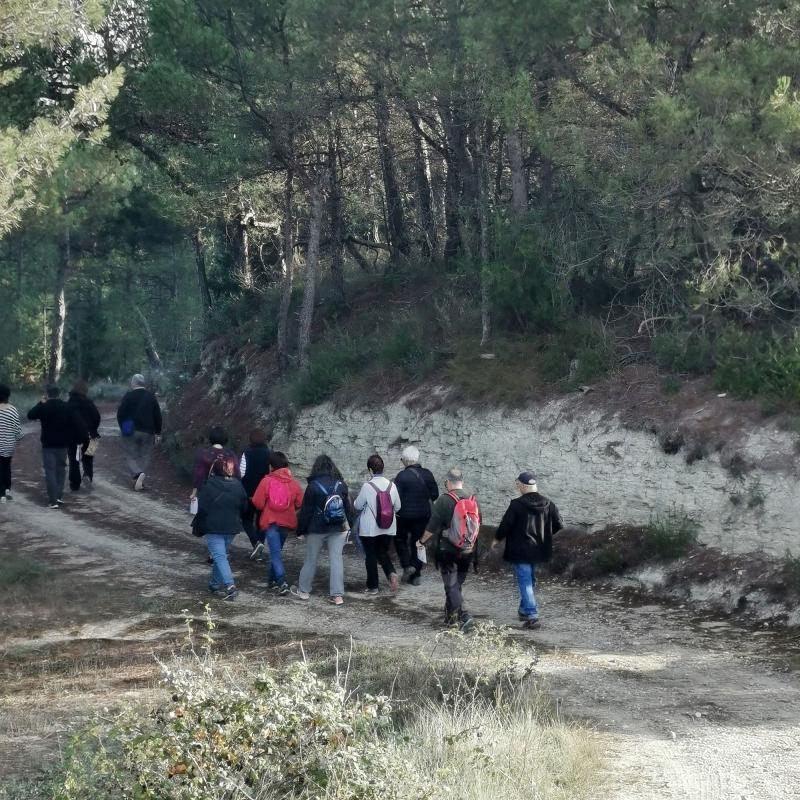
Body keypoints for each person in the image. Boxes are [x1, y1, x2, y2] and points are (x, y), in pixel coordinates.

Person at [493, 471, 563, 630]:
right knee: (530, 580)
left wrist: (496, 539)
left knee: (525, 581)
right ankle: (524, 610)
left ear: (523, 486)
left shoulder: (517, 504)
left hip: (520, 550)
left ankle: (532, 616)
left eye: (518, 485)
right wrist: (544, 535)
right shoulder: (548, 503)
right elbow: (558, 525)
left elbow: (506, 525)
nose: (517, 488)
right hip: (539, 549)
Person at [418, 467, 481, 631]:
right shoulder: (472, 499)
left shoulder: (444, 500)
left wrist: (421, 541)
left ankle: (464, 616)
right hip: (468, 550)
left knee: (451, 586)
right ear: (462, 482)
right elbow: (476, 527)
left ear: (447, 482)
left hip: (448, 550)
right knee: (456, 584)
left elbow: (432, 526)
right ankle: (451, 617)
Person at [292, 454, 353, 606]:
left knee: (311, 559)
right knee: (336, 560)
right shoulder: (341, 485)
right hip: (338, 527)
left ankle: (304, 591)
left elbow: (306, 512)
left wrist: (300, 530)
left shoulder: (313, 486)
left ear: (316, 468)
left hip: (316, 528)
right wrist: (351, 528)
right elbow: (348, 509)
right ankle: (337, 595)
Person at [196, 453, 249, 601]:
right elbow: (244, 507)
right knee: (221, 555)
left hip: (213, 526)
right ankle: (213, 584)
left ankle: (230, 586)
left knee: (219, 556)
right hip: (231, 526)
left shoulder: (209, 484)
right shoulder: (238, 485)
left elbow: (203, 507)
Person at [251, 450, 303, 594]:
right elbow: (300, 502)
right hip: (286, 523)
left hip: (271, 522)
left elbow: (258, 503)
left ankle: (281, 582)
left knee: (275, 554)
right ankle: (272, 580)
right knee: (277, 551)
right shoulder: (293, 483)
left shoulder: (267, 481)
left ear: (271, 466)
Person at [27, 385, 85, 508]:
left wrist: (40, 403)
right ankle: (58, 496)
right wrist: (78, 438)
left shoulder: (44, 407)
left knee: (50, 471)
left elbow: (30, 415)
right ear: (59, 394)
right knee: (61, 470)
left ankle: (53, 500)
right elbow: (77, 423)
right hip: (63, 443)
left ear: (47, 394)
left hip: (48, 443)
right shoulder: (66, 407)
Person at [354, 454, 401, 596]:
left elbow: (357, 505)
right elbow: (398, 507)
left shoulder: (367, 486)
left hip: (370, 528)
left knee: (371, 555)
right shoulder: (392, 486)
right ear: (383, 468)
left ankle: (373, 586)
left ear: (370, 470)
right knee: (382, 552)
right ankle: (391, 573)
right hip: (389, 527)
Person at [393, 445, 438, 585]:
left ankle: (407, 565)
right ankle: (416, 573)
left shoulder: (401, 476)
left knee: (399, 539)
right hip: (423, 515)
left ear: (405, 461)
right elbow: (435, 494)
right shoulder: (428, 474)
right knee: (419, 543)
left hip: (404, 516)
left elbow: (395, 497)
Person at [117, 374, 162, 491]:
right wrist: (158, 432)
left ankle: (137, 473)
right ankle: (138, 480)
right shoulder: (151, 396)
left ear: (134, 383)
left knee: (129, 453)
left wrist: (124, 428)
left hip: (130, 429)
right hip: (148, 430)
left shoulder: (128, 396)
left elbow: (120, 414)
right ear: (143, 384)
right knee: (145, 455)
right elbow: (157, 415)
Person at [239, 428, 271, 557]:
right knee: (261, 521)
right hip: (265, 493)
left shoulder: (247, 453)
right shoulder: (270, 453)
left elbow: (241, 473)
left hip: (249, 493)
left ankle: (256, 542)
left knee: (246, 520)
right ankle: (260, 552)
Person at [67, 379, 101, 491]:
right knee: (89, 458)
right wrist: (93, 429)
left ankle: (75, 483)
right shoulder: (89, 402)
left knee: (74, 460)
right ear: (85, 390)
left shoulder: (70, 403)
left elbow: (66, 419)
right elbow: (97, 417)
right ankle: (87, 475)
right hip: (92, 437)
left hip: (74, 437)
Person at [0, 385, 23, 503]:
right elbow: (17, 429)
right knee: (6, 466)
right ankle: (7, 488)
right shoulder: (13, 409)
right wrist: (19, 438)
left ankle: (1, 494)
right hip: (9, 445)